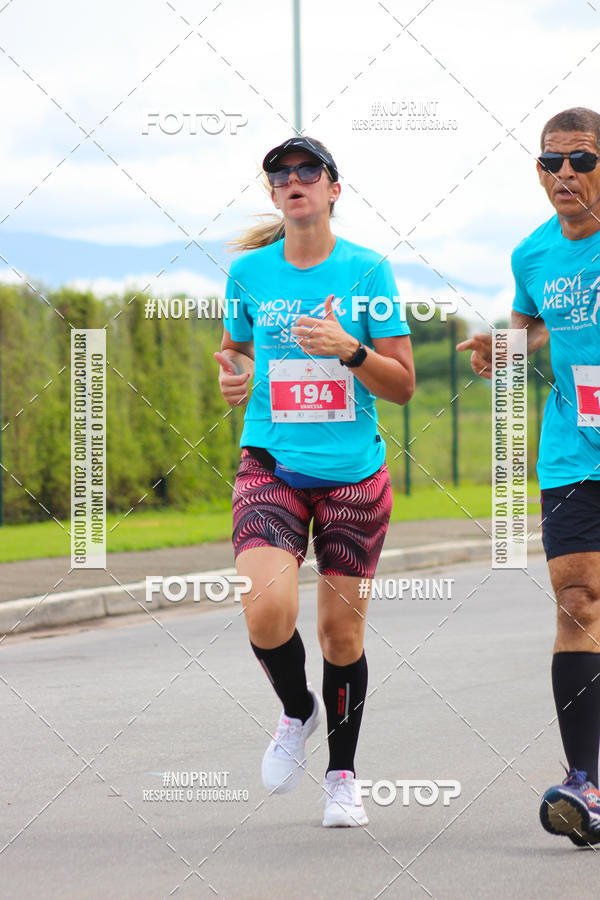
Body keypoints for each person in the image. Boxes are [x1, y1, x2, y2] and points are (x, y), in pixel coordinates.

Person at [214, 136, 414, 827]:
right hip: (270, 464)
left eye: (308, 170)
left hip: (352, 476)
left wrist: (348, 349)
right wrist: (233, 373)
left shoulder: (368, 271)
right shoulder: (248, 273)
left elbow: (403, 385)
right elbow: (235, 349)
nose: (293, 180)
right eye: (280, 174)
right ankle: (297, 711)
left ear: (333, 188)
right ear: (272, 193)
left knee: (340, 636)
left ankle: (342, 777)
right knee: (266, 609)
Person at [458, 107, 600, 846]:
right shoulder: (532, 254)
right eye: (552, 162)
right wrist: (503, 349)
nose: (565, 174)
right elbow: (532, 327)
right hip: (573, 449)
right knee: (577, 599)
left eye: (582, 160)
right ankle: (586, 783)